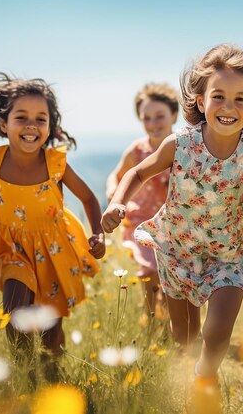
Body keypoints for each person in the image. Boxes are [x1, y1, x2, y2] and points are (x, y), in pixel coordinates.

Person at [102, 44, 243, 412]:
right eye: (219, 96)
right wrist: (118, 201)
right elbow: (138, 172)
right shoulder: (180, 144)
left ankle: (206, 380)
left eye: (240, 99)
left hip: (229, 253)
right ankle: (191, 377)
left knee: (216, 333)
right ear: (200, 99)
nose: (229, 107)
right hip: (177, 249)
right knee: (186, 339)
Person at [0, 71, 105, 384]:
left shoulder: (56, 163)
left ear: (50, 126)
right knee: (16, 315)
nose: (31, 126)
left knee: (51, 329)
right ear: (4, 125)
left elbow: (88, 198)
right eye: (22, 117)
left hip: (54, 250)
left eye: (40, 119)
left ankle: (52, 374)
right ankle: (26, 376)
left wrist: (96, 233)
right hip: (12, 248)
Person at [105, 83, 179, 317]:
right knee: (149, 271)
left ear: (174, 116)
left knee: (172, 277)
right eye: (146, 118)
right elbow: (116, 176)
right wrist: (114, 196)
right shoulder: (137, 150)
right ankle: (149, 318)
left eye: (159, 117)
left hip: (175, 225)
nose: (153, 124)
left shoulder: (183, 148)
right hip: (141, 222)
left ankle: (167, 324)